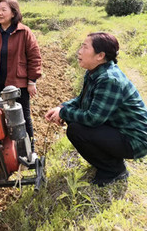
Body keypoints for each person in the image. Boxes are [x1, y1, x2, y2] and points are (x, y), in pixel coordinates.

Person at [45, 32, 147, 187]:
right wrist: (62, 107)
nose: (79, 51)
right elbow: (82, 99)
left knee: (77, 130)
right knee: (77, 125)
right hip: (120, 129)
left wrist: (64, 114)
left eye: (85, 47)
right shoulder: (94, 72)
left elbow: (93, 118)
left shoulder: (109, 79)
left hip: (135, 140)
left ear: (100, 55)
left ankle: (114, 170)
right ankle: (111, 162)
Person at [0, 0, 42, 151]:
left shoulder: (24, 32)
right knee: (1, 116)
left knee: (23, 117)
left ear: (13, 13)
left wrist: (32, 81)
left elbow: (35, 57)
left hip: (18, 84)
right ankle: (8, 152)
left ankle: (29, 151)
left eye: (3, 10)